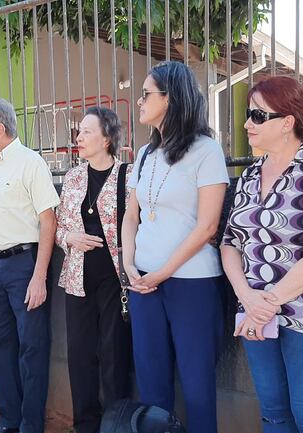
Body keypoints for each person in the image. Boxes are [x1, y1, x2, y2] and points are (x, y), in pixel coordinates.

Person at [221, 75, 303, 433]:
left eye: (258, 116)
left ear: (287, 122)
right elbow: (230, 242)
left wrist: (269, 302)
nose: (248, 124)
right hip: (256, 312)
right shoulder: (250, 175)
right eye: (249, 114)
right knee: (274, 413)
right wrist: (249, 299)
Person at [120, 61, 229, 433]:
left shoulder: (206, 151)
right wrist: (129, 265)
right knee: (151, 382)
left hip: (191, 282)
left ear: (170, 98)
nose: (139, 101)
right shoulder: (144, 155)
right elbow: (130, 216)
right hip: (143, 282)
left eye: (146, 94)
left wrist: (162, 273)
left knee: (197, 384)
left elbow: (208, 226)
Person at [0, 98, 60, 433]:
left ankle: (30, 425)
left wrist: (39, 277)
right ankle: (8, 421)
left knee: (32, 348)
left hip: (25, 266)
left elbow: (48, 221)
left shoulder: (30, 163)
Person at [55, 106, 132, 433]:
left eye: (87, 131)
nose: (79, 137)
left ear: (107, 138)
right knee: (80, 353)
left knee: (114, 354)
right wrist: (69, 238)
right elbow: (58, 228)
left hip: (115, 279)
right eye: (79, 131)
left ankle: (115, 424)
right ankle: (85, 424)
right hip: (77, 278)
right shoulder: (72, 178)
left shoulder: (128, 175)